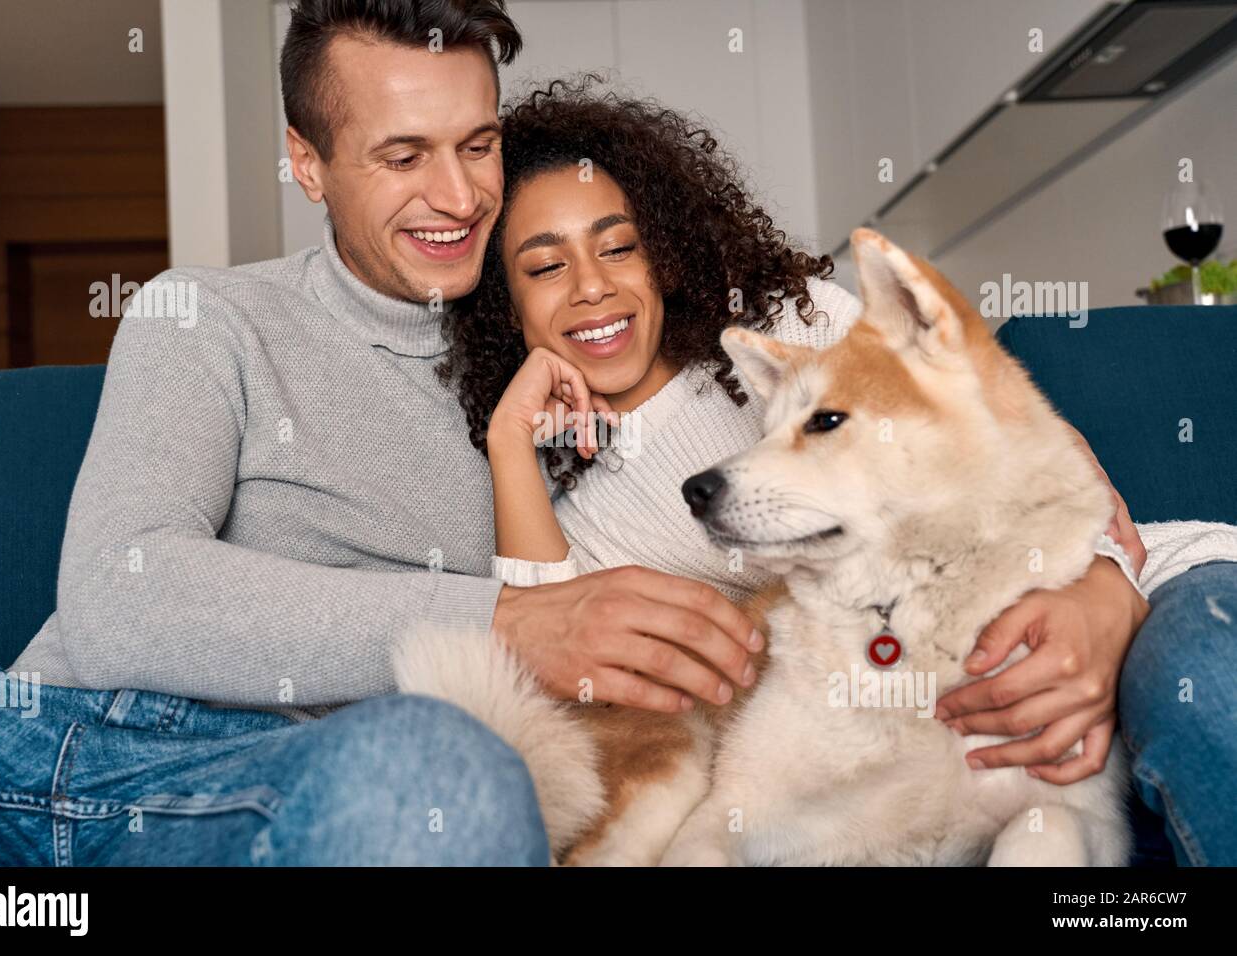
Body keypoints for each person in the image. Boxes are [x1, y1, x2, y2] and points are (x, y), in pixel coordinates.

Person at [437, 77, 1237, 864]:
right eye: (545, 268)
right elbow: (562, 670)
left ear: (666, 255)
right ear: (507, 306)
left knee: (1202, 675)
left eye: (619, 247)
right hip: (903, 665)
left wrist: (1104, 589)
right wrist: (510, 441)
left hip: (1137, 572)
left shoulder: (791, 322)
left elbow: (1018, 439)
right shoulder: (582, 511)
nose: (592, 286)